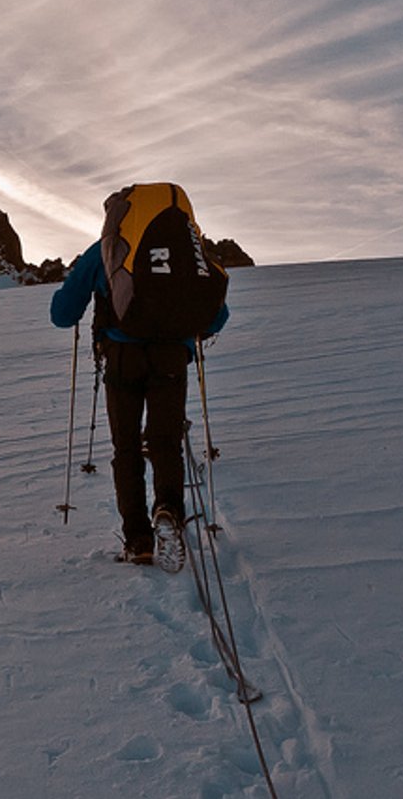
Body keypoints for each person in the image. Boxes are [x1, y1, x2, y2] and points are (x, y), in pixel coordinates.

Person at [50, 189, 230, 566]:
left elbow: (62, 314)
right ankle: (168, 511)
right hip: (170, 355)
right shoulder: (187, 252)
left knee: (127, 447)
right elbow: (216, 314)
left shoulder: (107, 250)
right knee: (165, 441)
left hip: (121, 357)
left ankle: (138, 539)